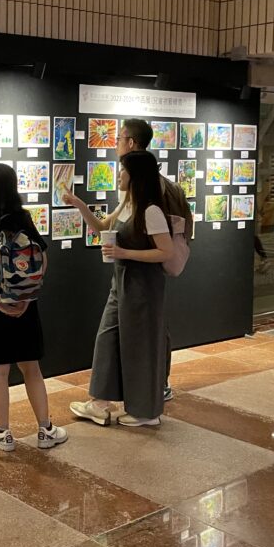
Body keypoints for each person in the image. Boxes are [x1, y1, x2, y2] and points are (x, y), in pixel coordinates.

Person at [0, 163, 68, 451]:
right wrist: (25, 297)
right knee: (31, 368)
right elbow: (42, 259)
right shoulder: (22, 219)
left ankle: (4, 434)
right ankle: (45, 429)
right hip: (25, 308)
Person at [63, 150, 174, 426]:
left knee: (141, 346)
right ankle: (99, 403)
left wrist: (125, 253)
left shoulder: (151, 211)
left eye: (123, 170)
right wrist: (79, 204)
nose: (119, 174)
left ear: (135, 175)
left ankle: (146, 412)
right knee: (108, 338)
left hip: (143, 289)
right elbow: (103, 227)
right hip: (121, 284)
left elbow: (166, 252)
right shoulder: (126, 204)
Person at [108, 118, 191, 400]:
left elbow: (162, 242)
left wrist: (126, 252)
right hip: (136, 271)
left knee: (154, 328)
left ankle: (157, 385)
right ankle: (147, 386)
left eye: (119, 139)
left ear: (131, 143)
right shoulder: (147, 181)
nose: (116, 144)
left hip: (146, 272)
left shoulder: (149, 185)